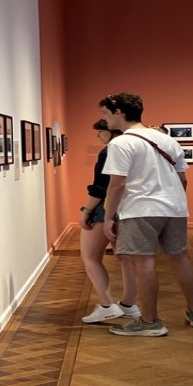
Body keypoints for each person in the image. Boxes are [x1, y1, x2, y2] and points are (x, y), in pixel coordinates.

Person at [98, 93, 193, 336]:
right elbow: (182, 178)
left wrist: (108, 217)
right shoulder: (165, 139)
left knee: (144, 263)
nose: (104, 119)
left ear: (119, 113)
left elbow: (117, 184)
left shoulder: (120, 143)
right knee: (181, 257)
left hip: (141, 208)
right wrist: (174, 202)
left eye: (106, 113)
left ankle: (150, 322)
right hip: (174, 207)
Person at [79, 119, 140, 323]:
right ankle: (129, 305)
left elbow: (101, 187)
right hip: (131, 207)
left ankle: (107, 305)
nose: (98, 135)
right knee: (126, 259)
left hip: (106, 208)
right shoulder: (135, 147)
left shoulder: (109, 151)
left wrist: (86, 210)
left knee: (90, 256)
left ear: (111, 131)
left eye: (101, 131)